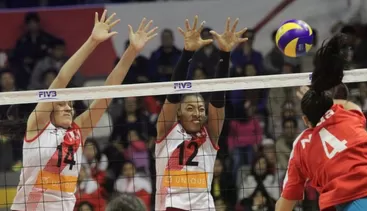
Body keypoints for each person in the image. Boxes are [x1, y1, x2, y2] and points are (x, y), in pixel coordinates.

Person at [11, 10, 158, 211]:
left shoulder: (77, 132)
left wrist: (132, 51)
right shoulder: (37, 126)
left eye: (70, 105)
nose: (67, 108)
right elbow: (62, 79)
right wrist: (93, 41)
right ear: (49, 109)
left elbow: (108, 93)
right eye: (61, 104)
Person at [155, 16, 247, 211]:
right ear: (178, 112)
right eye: (190, 108)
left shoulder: (210, 134)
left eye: (201, 109)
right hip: (172, 206)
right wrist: (187, 52)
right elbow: (174, 93)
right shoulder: (166, 130)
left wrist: (225, 54)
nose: (197, 113)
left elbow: (218, 98)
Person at [276, 33, 367, 211]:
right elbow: (350, 105)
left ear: (305, 119)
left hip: (351, 201)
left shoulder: (301, 145)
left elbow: (284, 206)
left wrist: (312, 98)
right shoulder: (350, 116)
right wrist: (320, 95)